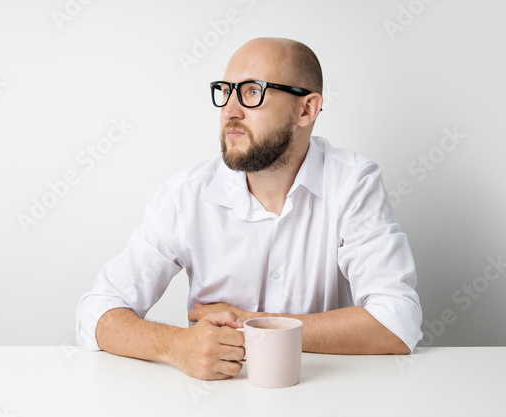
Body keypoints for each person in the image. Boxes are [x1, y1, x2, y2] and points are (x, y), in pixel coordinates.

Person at [75, 37, 422, 380]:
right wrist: (177, 345)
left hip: (322, 395)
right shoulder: (186, 194)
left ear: (307, 109)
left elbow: (397, 321)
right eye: (225, 91)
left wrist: (252, 324)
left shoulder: (352, 183)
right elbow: (97, 312)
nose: (230, 111)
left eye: (252, 92)